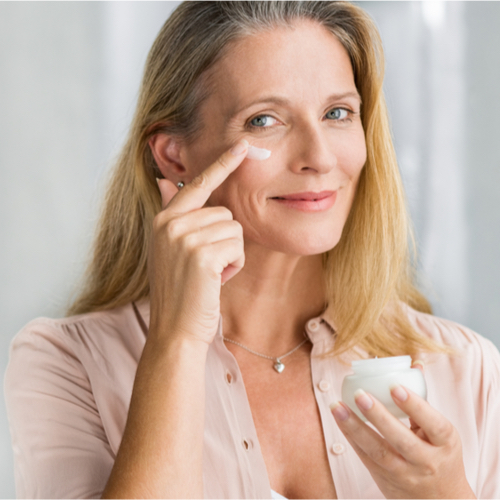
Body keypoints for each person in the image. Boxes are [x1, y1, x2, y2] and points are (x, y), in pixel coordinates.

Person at [4, 1, 500, 498]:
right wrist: (176, 342)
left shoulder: (466, 369)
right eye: (264, 120)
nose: (319, 157)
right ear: (173, 155)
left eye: (337, 113)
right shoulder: (68, 365)